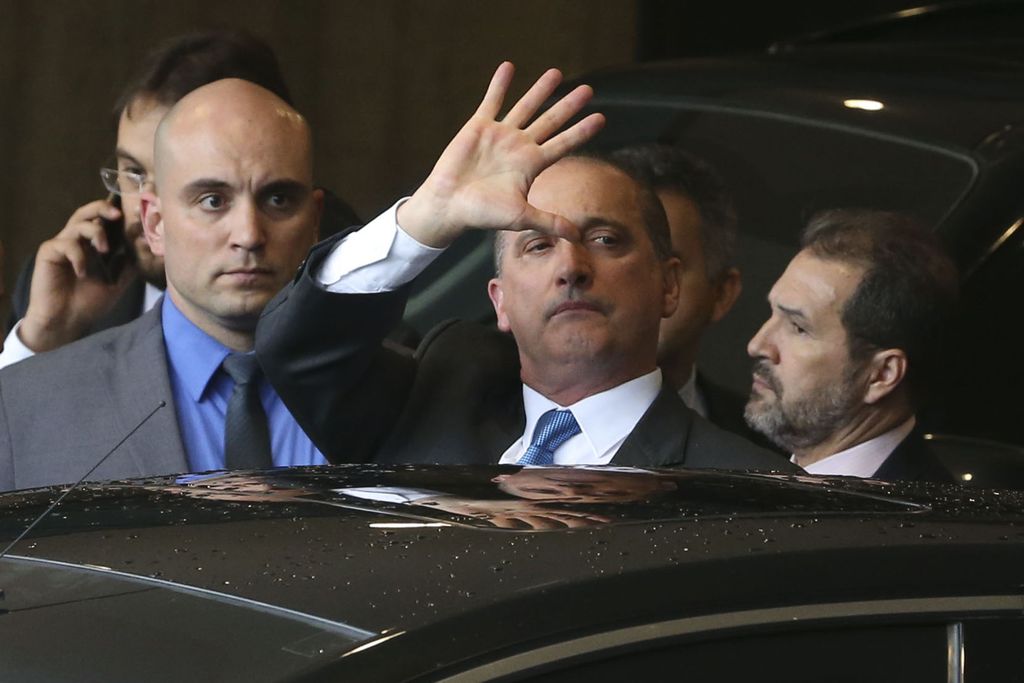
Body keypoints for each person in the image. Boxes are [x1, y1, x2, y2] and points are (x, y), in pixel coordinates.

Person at [257, 63, 791, 473]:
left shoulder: (740, 484)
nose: (571, 268)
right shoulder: (435, 398)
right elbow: (298, 348)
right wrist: (425, 218)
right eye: (538, 245)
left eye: (605, 240)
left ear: (669, 285)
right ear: (499, 301)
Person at [0, 79, 325, 491]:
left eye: (277, 200)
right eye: (213, 200)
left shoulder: (402, 391)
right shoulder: (27, 400)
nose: (248, 234)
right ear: (154, 223)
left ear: (314, 221)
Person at [0, 29, 359, 370]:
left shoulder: (356, 291)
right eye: (133, 173)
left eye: (209, 195)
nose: (146, 211)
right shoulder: (65, 285)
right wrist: (42, 339)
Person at [744, 208, 958, 482]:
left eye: (798, 327)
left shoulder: (930, 520)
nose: (757, 345)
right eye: (772, 313)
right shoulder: (747, 469)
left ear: (881, 375)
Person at [610, 143, 748, 434]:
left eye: (665, 269)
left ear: (722, 293)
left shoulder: (767, 451)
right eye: (608, 248)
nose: (629, 288)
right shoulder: (495, 409)